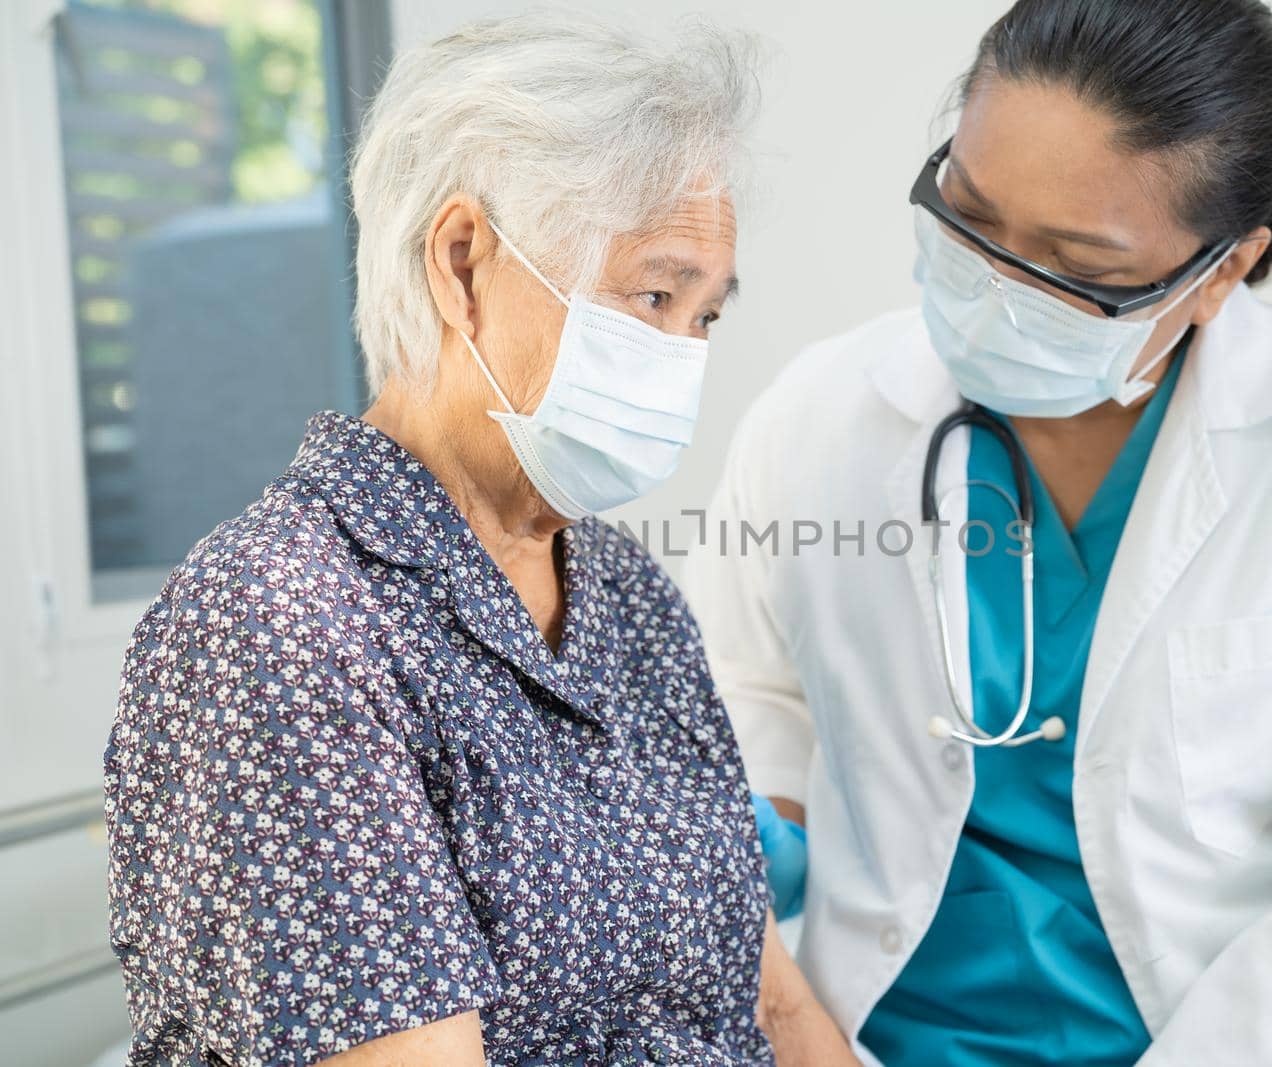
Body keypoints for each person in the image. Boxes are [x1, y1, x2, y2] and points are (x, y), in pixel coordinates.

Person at [685, 1, 1272, 1064]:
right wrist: (761, 825)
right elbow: (756, 706)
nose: (996, 287)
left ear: (1219, 271)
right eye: (971, 215)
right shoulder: (816, 418)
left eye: (1076, 265)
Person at [102, 11, 854, 1066]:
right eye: (652, 295)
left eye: (705, 317)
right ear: (461, 263)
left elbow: (770, 1002)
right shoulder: (281, 622)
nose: (684, 356)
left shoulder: (626, 593)